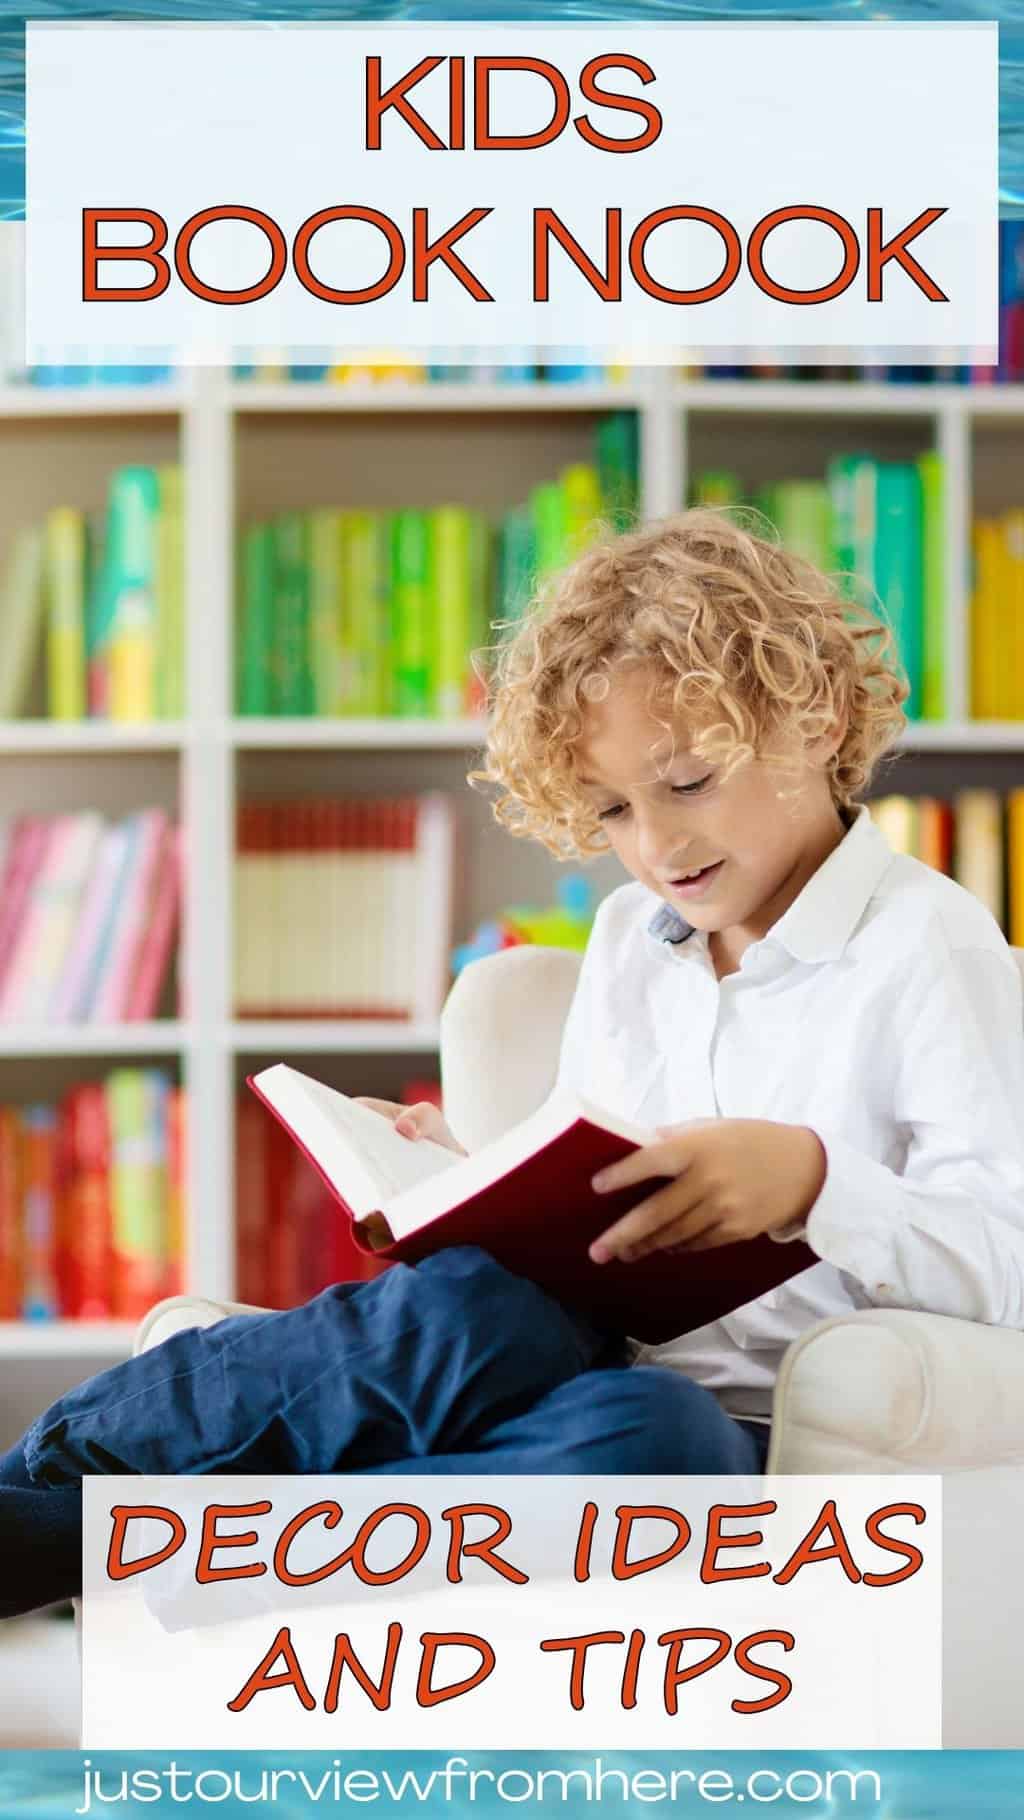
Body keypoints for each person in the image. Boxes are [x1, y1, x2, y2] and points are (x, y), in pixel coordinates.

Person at [4, 505, 1024, 1620]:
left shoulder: (932, 943)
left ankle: (110, 1546)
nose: (656, 847)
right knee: (483, 1306)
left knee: (660, 1452)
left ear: (818, 720)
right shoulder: (635, 941)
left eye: (687, 783)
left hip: (719, 1431)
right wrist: (461, 1168)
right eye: (612, 810)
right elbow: (596, 1186)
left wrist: (812, 1182)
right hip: (560, 1358)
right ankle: (55, 1483)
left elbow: (1005, 1261)